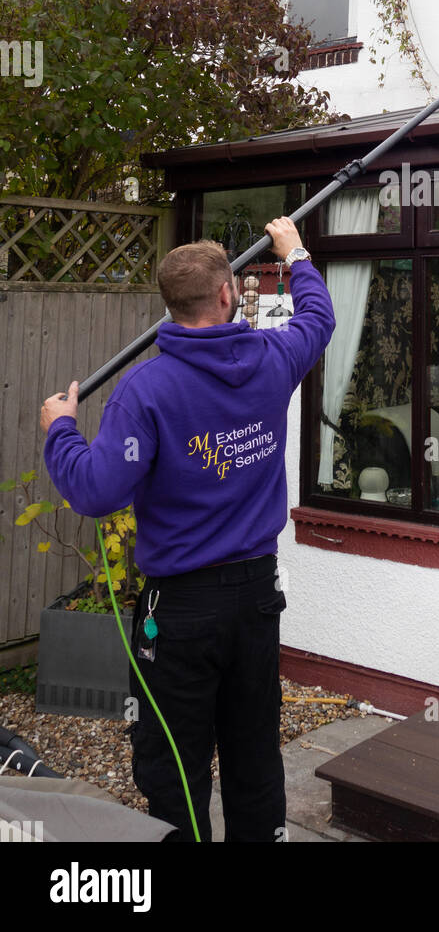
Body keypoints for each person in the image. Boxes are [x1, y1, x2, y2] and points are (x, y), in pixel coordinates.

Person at [40, 217, 335, 842]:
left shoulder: (144, 390)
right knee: (253, 750)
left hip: (182, 612)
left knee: (177, 761)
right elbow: (318, 319)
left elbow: (94, 490)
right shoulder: (271, 357)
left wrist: (60, 427)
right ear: (227, 294)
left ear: (171, 307)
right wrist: (296, 254)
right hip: (254, 602)